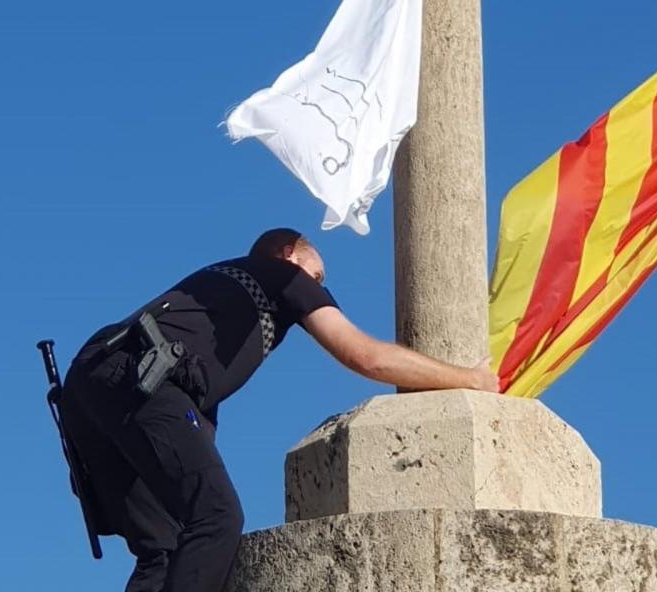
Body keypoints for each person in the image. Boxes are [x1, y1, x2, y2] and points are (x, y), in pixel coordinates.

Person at [58, 227, 499, 592]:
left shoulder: (216, 297)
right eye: (318, 275)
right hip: (141, 381)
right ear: (290, 255)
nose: (320, 288)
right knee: (217, 518)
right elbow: (365, 355)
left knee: (166, 547)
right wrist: (468, 378)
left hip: (89, 384)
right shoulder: (280, 276)